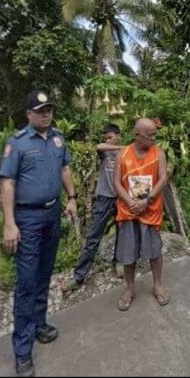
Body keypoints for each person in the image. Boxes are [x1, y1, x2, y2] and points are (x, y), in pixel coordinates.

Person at [0, 91, 78, 377]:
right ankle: (22, 351)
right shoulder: (17, 143)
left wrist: (72, 198)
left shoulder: (58, 138)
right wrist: (10, 223)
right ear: (29, 114)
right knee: (27, 282)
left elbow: (65, 168)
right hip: (28, 218)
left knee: (44, 274)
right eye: (40, 110)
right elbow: (7, 184)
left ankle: (40, 324)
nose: (46, 114)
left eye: (49, 110)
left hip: (52, 213)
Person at [113, 118, 170, 312]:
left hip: (150, 209)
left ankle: (158, 285)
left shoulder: (158, 153)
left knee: (155, 250)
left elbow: (163, 179)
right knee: (128, 252)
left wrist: (147, 200)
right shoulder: (123, 154)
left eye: (155, 134)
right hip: (128, 210)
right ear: (138, 135)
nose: (154, 139)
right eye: (150, 135)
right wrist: (131, 202)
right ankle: (130, 289)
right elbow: (116, 183)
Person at [62, 124, 122, 292]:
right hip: (104, 198)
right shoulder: (106, 151)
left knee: (122, 232)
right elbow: (98, 146)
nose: (107, 140)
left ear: (118, 135)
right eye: (106, 137)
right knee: (93, 236)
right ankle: (79, 276)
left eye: (110, 136)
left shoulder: (127, 153)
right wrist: (120, 146)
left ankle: (118, 262)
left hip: (121, 198)